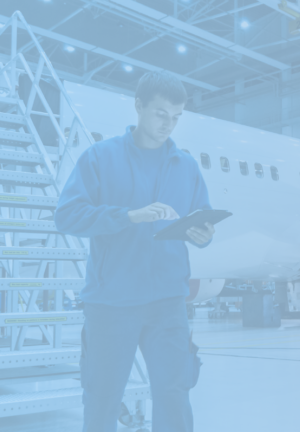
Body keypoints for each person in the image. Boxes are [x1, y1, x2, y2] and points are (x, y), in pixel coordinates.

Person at [54, 71, 215, 432]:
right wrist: (127, 216)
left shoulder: (186, 166)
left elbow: (199, 218)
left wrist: (202, 235)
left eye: (176, 118)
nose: (168, 125)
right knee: (103, 395)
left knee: (174, 392)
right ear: (139, 106)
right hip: (112, 302)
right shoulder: (100, 157)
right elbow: (66, 216)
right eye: (161, 114)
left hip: (168, 303)